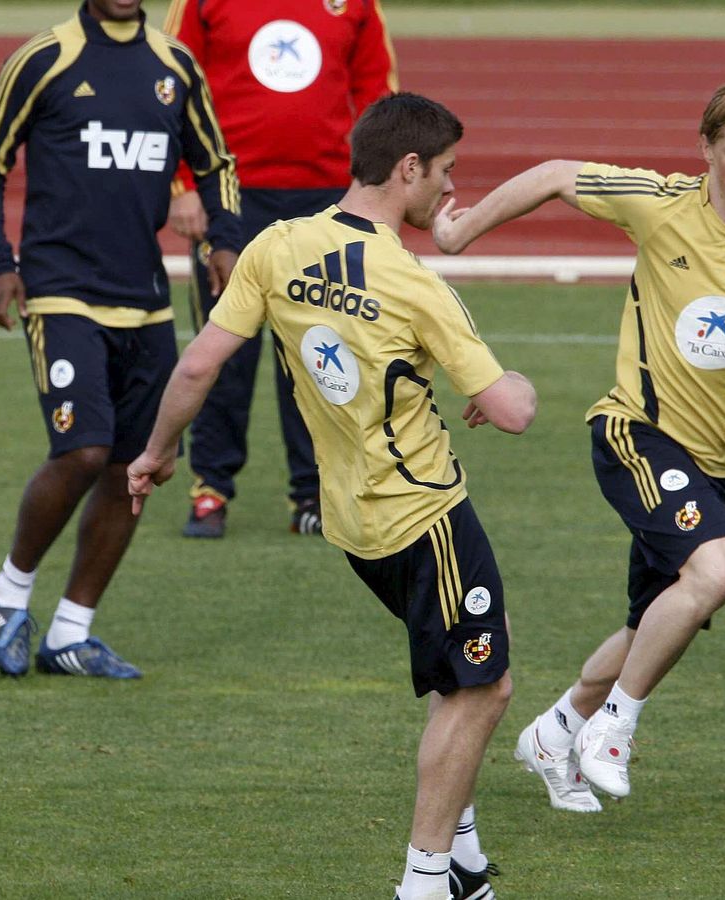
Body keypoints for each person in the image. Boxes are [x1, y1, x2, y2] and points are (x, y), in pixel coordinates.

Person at [127, 92, 529, 900]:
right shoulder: (415, 285)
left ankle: (468, 862)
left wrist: (159, 453)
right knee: (485, 687)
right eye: (445, 175)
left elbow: (200, 364)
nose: (451, 191)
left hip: (351, 523)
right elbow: (513, 413)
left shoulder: (276, 247)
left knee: (462, 668)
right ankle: (425, 883)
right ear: (407, 168)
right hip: (423, 513)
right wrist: (513, 382)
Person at [432, 79, 725, 809]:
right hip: (637, 433)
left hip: (720, 468)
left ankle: (558, 728)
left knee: (657, 622)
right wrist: (457, 232)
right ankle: (614, 728)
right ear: (706, 151)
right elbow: (557, 176)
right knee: (722, 569)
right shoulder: (661, 204)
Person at [0, 0, 241, 679]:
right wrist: (0, 265)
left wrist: (227, 242)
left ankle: (71, 632)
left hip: (145, 303)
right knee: (84, 449)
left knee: (134, 467)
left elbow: (218, 163)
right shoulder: (44, 57)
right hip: (61, 291)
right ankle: (9, 595)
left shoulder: (174, 65)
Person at [163, 0, 398, 538]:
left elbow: (376, 97)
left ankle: (313, 493)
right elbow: (171, 85)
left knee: (320, 350)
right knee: (224, 346)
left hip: (327, 197)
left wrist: (376, 190)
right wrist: (183, 183)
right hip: (228, 196)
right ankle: (211, 488)